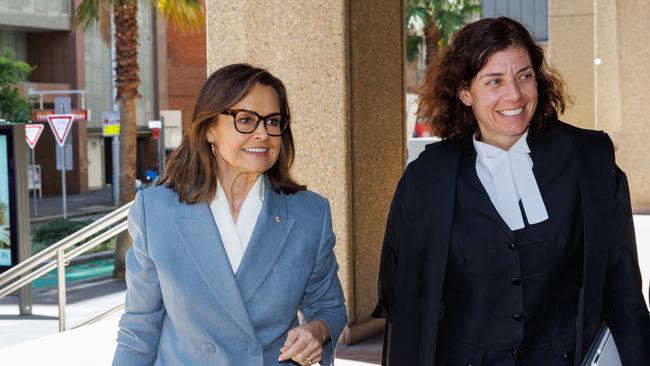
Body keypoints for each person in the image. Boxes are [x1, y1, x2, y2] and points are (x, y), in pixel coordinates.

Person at [373, 17, 650, 366]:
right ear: (464, 92)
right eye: (494, 81)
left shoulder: (589, 161)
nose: (515, 94)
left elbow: (623, 288)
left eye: (524, 75)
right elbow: (407, 302)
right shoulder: (426, 180)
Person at [113, 64, 347, 366]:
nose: (263, 134)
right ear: (210, 128)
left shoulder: (309, 213)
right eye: (246, 120)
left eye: (273, 122)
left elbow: (329, 306)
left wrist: (316, 331)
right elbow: (139, 328)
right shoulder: (155, 211)